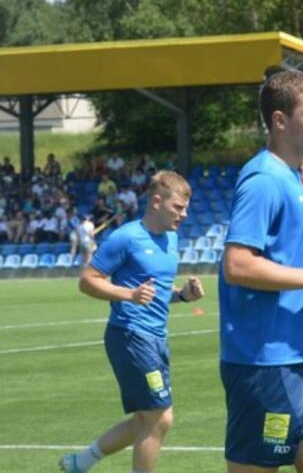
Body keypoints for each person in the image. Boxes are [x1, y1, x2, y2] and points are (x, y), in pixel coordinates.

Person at [219, 69, 303, 473]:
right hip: (265, 364)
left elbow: (277, 257)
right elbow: (237, 264)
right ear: (280, 120)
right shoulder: (263, 179)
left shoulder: (293, 177)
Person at [59, 170, 205, 473]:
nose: (184, 214)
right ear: (156, 201)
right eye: (178, 207)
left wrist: (182, 295)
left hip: (156, 337)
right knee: (159, 417)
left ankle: (80, 462)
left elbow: (155, 291)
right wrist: (129, 294)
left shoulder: (171, 239)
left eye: (186, 208)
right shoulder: (126, 237)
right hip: (130, 335)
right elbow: (87, 280)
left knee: (145, 420)